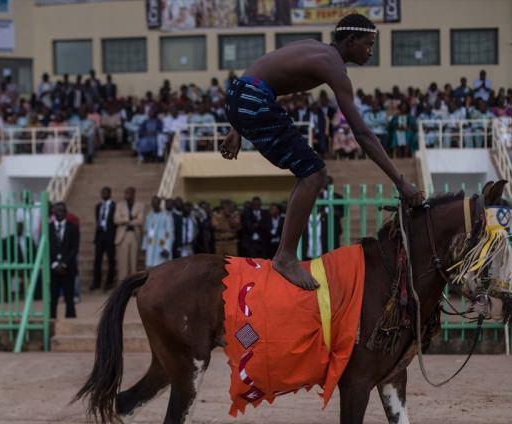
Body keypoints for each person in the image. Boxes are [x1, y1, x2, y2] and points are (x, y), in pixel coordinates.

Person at [220, 13, 422, 289]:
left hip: (239, 94)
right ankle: (286, 258)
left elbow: (262, 66)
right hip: (253, 101)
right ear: (350, 41)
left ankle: (286, 254)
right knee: (315, 174)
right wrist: (400, 182)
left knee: (308, 172)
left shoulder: (312, 46)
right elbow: (361, 133)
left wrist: (237, 124)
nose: (370, 52)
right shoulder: (334, 67)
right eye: (367, 44)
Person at [49, 203, 78, 319]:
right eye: (57, 211)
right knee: (53, 297)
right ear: (53, 213)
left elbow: (74, 248)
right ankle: (52, 318)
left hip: (68, 268)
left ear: (66, 213)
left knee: (69, 296)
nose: (59, 213)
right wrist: (54, 264)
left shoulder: (73, 227)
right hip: (53, 268)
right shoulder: (48, 228)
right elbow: (46, 248)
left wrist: (64, 264)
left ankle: (71, 319)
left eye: (62, 211)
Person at [114, 186, 144, 282]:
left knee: (134, 263)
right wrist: (130, 219)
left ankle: (133, 287)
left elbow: (140, 221)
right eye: (125, 193)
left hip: (134, 235)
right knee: (123, 263)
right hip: (123, 236)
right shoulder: (119, 205)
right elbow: (116, 220)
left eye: (128, 193)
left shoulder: (140, 205)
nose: (126, 195)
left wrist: (126, 220)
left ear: (133, 194)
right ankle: (122, 286)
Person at [91, 187, 116, 291]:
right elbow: (98, 220)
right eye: (102, 192)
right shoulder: (98, 206)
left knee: (111, 260)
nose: (103, 194)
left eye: (106, 192)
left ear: (110, 193)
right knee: (97, 260)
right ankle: (96, 282)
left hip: (110, 236)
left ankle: (109, 282)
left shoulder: (115, 206)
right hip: (100, 236)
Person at [142, 196, 174, 268]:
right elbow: (145, 232)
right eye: (153, 203)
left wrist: (167, 248)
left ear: (159, 203)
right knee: (150, 269)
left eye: (156, 202)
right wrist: (144, 247)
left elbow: (169, 234)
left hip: (161, 247)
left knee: (161, 268)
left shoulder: (166, 216)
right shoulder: (149, 216)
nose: (154, 204)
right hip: (150, 246)